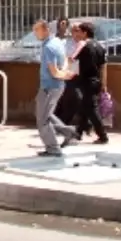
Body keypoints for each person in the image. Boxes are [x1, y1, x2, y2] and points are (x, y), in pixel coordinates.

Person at [32, 19, 77, 156]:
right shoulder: (56, 42)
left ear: (45, 30)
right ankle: (68, 132)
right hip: (54, 86)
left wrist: (63, 75)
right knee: (44, 115)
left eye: (37, 31)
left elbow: (54, 72)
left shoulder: (48, 48)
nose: (35, 34)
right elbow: (64, 62)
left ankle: (53, 149)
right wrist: (65, 73)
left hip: (49, 87)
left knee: (42, 121)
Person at [72, 20, 109, 144]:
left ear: (85, 33)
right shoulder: (100, 46)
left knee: (91, 109)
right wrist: (104, 84)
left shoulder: (83, 46)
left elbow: (73, 62)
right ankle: (78, 133)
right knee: (84, 107)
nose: (77, 35)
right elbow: (103, 67)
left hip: (86, 81)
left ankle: (103, 136)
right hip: (96, 81)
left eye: (80, 32)